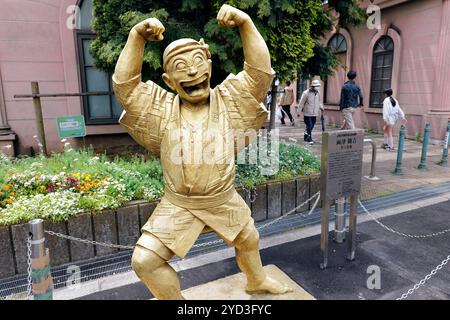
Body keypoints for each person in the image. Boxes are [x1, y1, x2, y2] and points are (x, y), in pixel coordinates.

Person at [113, 4, 290, 300]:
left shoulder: (229, 100)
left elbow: (259, 74)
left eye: (197, 61)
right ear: (169, 81)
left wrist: (245, 23)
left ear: (209, 67)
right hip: (178, 204)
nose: (192, 71)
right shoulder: (161, 109)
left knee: (248, 239)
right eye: (181, 67)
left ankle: (256, 280)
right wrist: (136, 36)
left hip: (222, 198)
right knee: (144, 261)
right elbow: (126, 88)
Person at [298, 80, 324, 144]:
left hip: (315, 113)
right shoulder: (306, 93)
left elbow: (319, 101)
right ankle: (309, 138)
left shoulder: (318, 93)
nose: (317, 87)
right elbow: (301, 103)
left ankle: (306, 135)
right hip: (307, 112)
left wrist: (321, 107)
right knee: (309, 125)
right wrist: (299, 112)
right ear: (312, 86)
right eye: (316, 86)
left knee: (311, 125)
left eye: (318, 86)